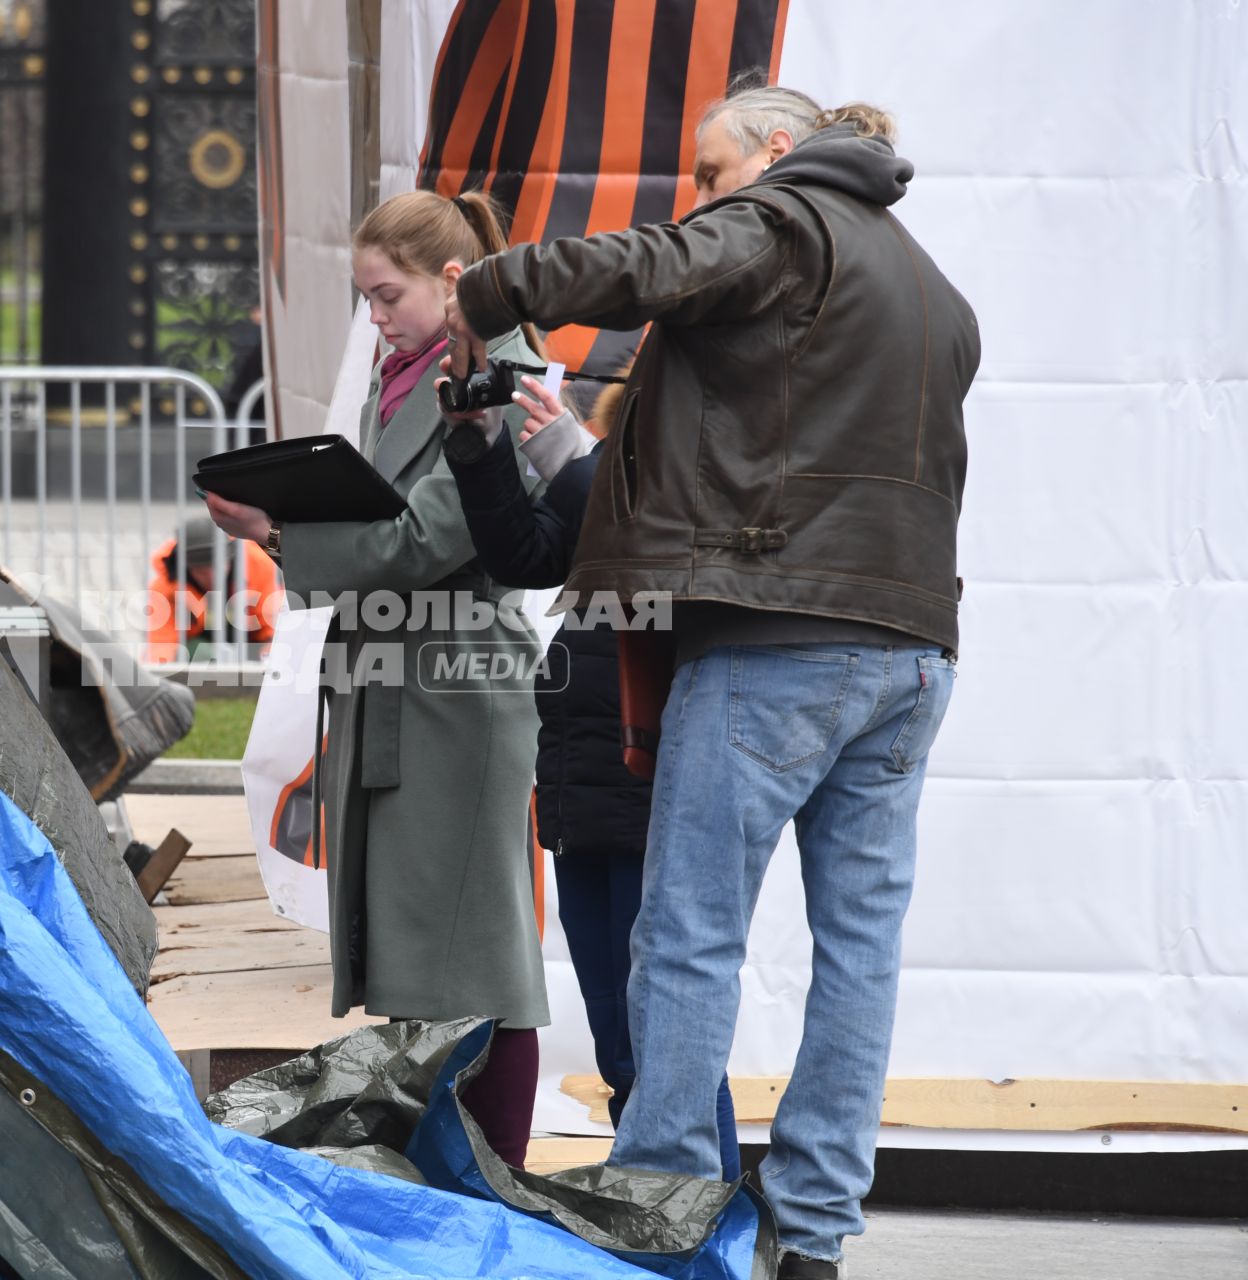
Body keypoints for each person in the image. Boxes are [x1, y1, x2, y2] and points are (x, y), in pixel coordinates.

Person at [444, 83, 980, 1279]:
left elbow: (653, 266)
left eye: (707, 170)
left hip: (777, 640)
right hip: (911, 646)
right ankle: (816, 1234)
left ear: (779, 152)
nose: (697, 196)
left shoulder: (786, 219)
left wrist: (490, 288)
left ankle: (666, 1202)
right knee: (860, 949)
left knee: (685, 933)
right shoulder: (936, 290)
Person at [202, 189, 550, 1166]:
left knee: (479, 962)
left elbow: (427, 538)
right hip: (400, 684)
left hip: (456, 690)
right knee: (415, 956)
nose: (376, 317)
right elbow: (383, 537)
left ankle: (495, 1179)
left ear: (450, 279)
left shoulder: (503, 373)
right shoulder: (406, 377)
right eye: (365, 298)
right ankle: (447, 1173)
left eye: (387, 293)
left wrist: (277, 530)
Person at [440, 368, 742, 1183]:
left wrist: (578, 464)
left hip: (657, 793)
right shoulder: (606, 478)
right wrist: (487, 448)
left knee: (668, 1043)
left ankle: (705, 1223)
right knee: (620, 1039)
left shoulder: (703, 475)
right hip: (585, 797)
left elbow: (666, 557)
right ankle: (657, 1210)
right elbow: (523, 551)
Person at [144, 515, 282, 663]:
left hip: (252, 646)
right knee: (201, 652)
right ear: (187, 568)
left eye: (217, 565)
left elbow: (274, 630)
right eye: (201, 571)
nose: (212, 576)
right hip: (199, 651)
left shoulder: (259, 566)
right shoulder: (166, 587)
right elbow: (161, 647)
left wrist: (269, 664)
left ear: (230, 557)